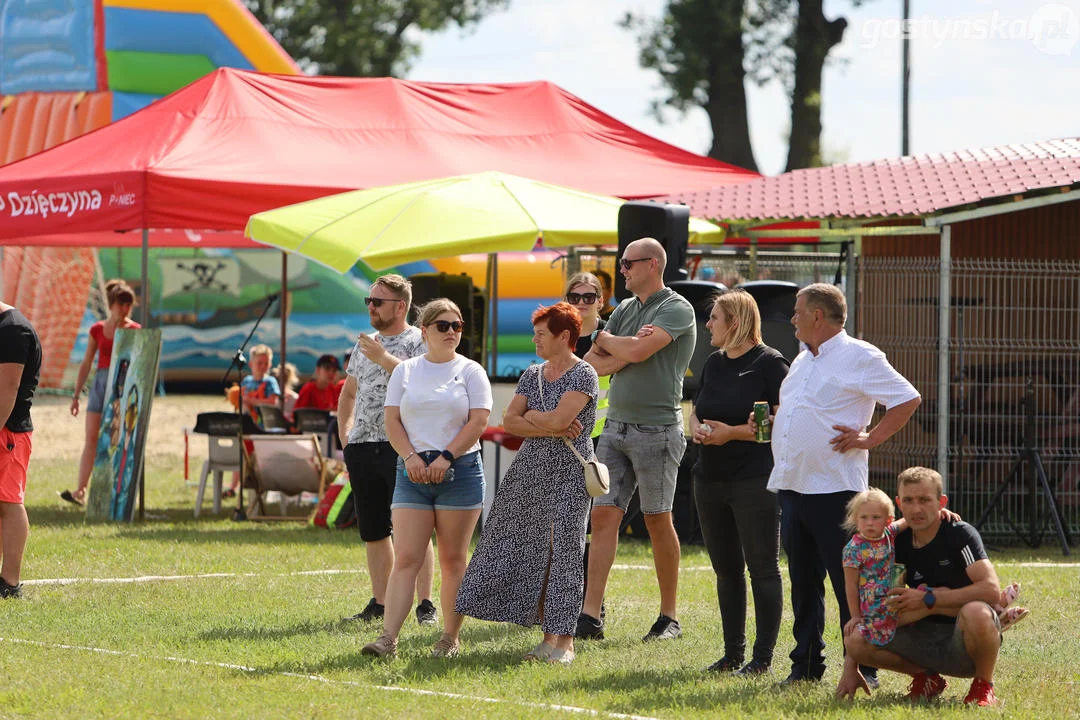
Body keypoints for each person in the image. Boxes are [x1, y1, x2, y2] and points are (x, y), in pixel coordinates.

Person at [769, 282, 921, 687]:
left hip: (835, 490)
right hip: (794, 485)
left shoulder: (861, 356)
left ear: (818, 316)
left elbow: (907, 399)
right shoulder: (803, 359)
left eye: (798, 311)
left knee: (850, 584)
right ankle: (805, 665)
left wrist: (870, 438)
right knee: (803, 582)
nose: (793, 319)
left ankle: (865, 666)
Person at [457, 302, 597, 664]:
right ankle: (547, 637)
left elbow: (558, 418)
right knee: (532, 549)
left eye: (540, 334)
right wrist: (544, 420)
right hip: (530, 471)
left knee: (565, 550)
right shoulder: (532, 373)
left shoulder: (585, 375)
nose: (534, 339)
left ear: (564, 336)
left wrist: (534, 417)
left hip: (569, 473)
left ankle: (565, 642)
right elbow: (509, 421)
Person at [578, 237, 696, 642]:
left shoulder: (677, 307)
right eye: (621, 262)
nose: (621, 269)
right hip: (615, 426)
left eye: (628, 263)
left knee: (657, 518)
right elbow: (594, 362)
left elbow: (640, 352)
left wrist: (616, 344)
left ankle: (669, 618)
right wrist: (623, 347)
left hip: (658, 429)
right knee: (603, 515)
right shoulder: (627, 309)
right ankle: (590, 614)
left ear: (653, 264)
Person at [363, 298, 492, 658]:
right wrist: (410, 457)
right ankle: (388, 639)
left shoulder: (471, 371)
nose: (452, 332)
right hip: (411, 472)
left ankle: (450, 638)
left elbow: (478, 422)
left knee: (453, 559)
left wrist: (447, 457)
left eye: (458, 325)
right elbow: (392, 421)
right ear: (425, 330)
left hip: (461, 471)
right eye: (443, 325)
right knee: (406, 557)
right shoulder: (405, 371)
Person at [836, 467, 1012, 706]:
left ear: (941, 502)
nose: (916, 509)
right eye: (908, 500)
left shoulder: (959, 534)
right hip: (920, 631)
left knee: (977, 612)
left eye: (925, 500)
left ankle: (983, 686)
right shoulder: (892, 541)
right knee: (856, 639)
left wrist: (930, 598)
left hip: (962, 640)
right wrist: (850, 666)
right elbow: (872, 595)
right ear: (898, 504)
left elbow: (990, 589)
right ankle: (926, 678)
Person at [690, 289, 788, 675]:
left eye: (715, 318)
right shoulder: (713, 362)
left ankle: (762, 659)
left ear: (736, 322)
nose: (709, 324)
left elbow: (782, 422)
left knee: (762, 568)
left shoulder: (770, 363)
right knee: (726, 570)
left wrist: (731, 433)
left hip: (753, 478)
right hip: (708, 477)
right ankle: (733, 654)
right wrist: (697, 428)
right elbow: (697, 409)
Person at [338, 274, 435, 625]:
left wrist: (383, 358)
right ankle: (380, 602)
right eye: (369, 301)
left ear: (401, 306)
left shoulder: (419, 341)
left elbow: (424, 384)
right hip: (363, 446)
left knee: (415, 527)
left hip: (403, 447)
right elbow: (349, 393)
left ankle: (425, 604)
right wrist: (345, 435)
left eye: (377, 301)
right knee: (374, 529)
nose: (370, 307)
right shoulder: (364, 343)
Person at [841, 488, 1027, 655]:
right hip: (876, 609)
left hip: (894, 599)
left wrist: (936, 513)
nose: (870, 523)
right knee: (933, 602)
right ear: (855, 520)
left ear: (888, 520)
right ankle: (993, 618)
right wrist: (856, 616)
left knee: (938, 595)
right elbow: (850, 585)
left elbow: (911, 518)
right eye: (863, 518)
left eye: (876, 517)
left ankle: (990, 616)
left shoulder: (889, 534)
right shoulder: (853, 549)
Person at [63, 279, 140, 506]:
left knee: (115, 439)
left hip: (120, 386)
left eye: (128, 305)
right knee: (91, 440)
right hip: (99, 384)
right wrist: (76, 395)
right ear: (112, 304)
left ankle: (112, 491)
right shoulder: (98, 329)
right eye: (121, 304)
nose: (125, 309)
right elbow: (87, 363)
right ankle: (81, 490)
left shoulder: (134, 330)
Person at [0, 300, 42, 598]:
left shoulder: (13, 329)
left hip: (9, 430)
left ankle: (10, 583)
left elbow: (8, 388)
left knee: (9, 503)